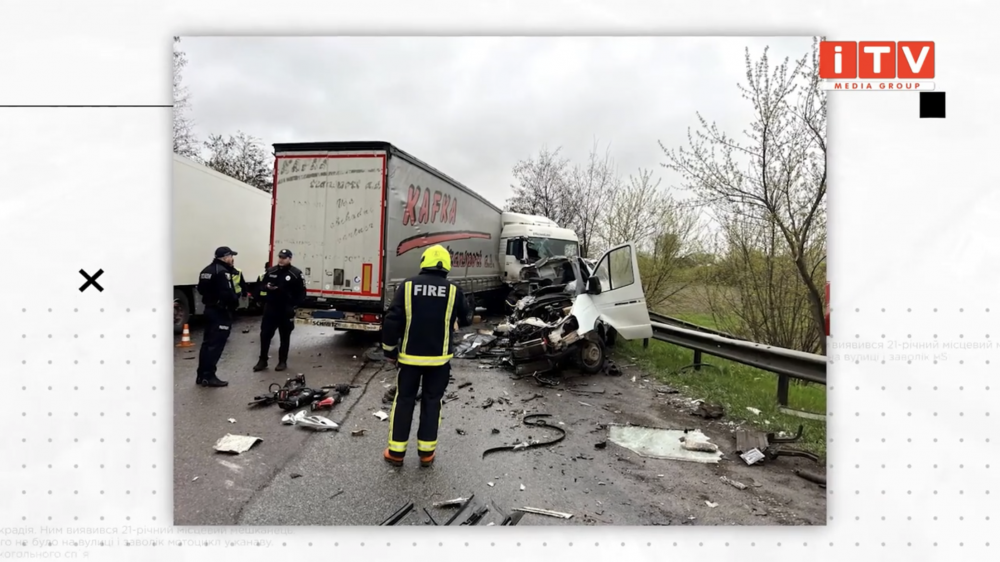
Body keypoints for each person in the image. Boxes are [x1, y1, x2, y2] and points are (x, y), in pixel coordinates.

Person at [380, 244, 471, 467]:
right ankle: (426, 454)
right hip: (439, 360)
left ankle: (396, 453)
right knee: (432, 402)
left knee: (404, 401)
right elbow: (467, 318)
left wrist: (389, 350)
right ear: (446, 265)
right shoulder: (454, 290)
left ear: (424, 262)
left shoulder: (408, 286)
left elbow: (392, 320)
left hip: (409, 359)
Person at [253, 249, 306, 372]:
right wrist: (266, 288)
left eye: (284, 258)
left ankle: (282, 361)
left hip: (285, 309)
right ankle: (262, 360)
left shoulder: (295, 273)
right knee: (265, 335)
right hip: (271, 308)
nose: (281, 260)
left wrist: (293, 305)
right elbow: (261, 286)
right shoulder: (271, 271)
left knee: (284, 336)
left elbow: (301, 293)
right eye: (280, 257)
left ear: (289, 259)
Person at [195, 246, 241, 387]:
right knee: (215, 345)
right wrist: (235, 302)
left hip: (209, 310)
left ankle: (201, 375)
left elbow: (201, 290)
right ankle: (209, 376)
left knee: (207, 344)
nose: (232, 259)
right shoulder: (222, 272)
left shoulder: (206, 270)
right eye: (231, 256)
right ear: (225, 257)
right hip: (220, 312)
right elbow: (227, 293)